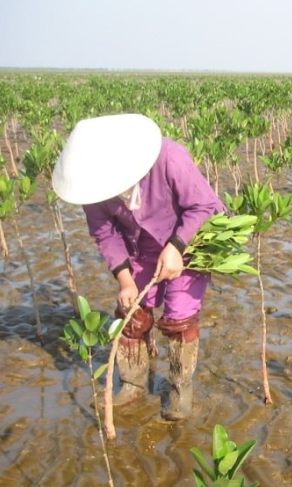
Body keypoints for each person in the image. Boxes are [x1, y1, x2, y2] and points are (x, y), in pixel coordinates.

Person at [52, 113, 225, 421]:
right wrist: (125, 281)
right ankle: (132, 382)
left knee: (179, 318)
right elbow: (105, 234)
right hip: (140, 251)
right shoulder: (92, 187)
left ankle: (179, 388)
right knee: (131, 314)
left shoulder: (169, 157)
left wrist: (177, 247)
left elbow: (204, 206)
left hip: (189, 242)